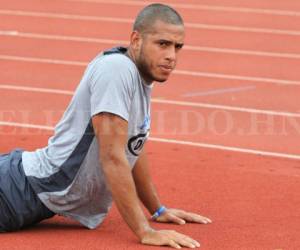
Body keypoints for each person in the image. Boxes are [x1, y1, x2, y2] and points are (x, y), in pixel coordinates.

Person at [0, 3, 211, 249]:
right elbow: (111, 156)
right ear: (136, 39)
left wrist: (157, 209)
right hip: (16, 191)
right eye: (162, 44)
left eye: (177, 47)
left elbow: (132, 148)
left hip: (27, 193)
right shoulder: (117, 70)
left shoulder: (140, 77)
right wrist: (144, 231)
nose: (171, 56)